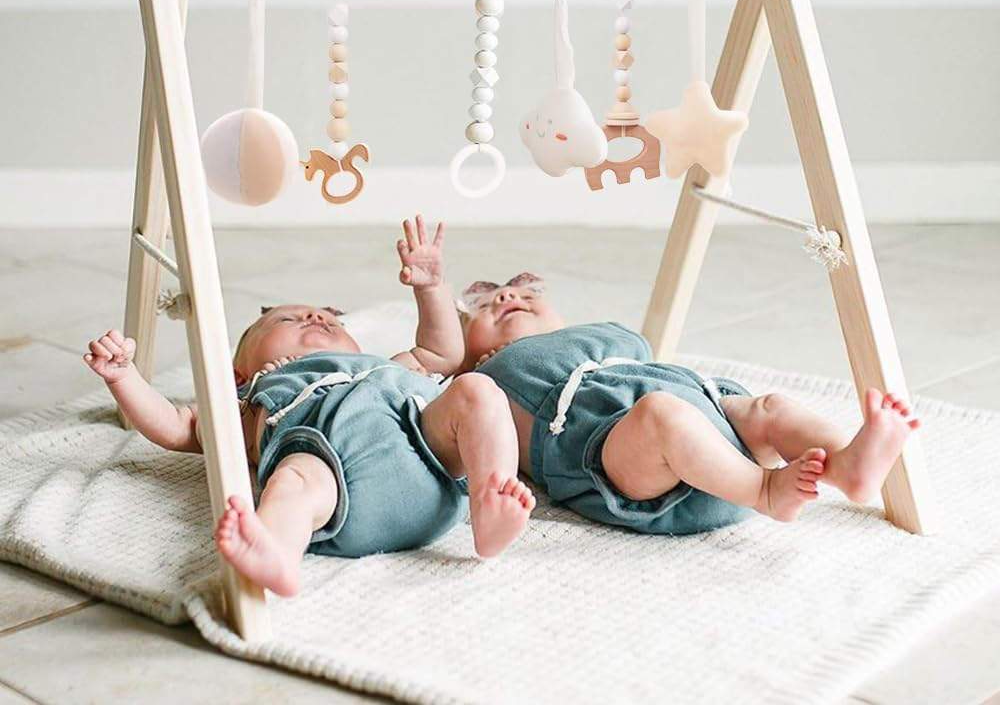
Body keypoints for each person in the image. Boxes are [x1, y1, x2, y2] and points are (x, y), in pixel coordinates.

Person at [83, 217, 535, 597]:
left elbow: (444, 353)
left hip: (430, 459)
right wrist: (125, 377)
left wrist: (431, 288)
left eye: (331, 319)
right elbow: (176, 427)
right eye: (289, 318)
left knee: (475, 390)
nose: (317, 317)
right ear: (239, 371)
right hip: (339, 490)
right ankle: (279, 550)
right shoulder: (249, 400)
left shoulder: (385, 366)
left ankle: (487, 502)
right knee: (295, 477)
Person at [459, 273, 919, 535]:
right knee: (662, 416)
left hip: (707, 419)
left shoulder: (594, 343)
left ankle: (848, 466)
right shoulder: (477, 382)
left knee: (769, 408)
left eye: (526, 293)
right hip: (614, 458)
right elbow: (430, 361)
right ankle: (764, 491)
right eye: (484, 307)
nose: (506, 296)